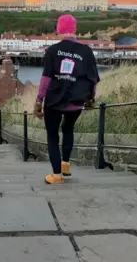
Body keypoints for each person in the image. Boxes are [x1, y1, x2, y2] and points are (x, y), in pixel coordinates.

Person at [34, 14, 99, 185]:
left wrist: (39, 100)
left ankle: (56, 176)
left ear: (59, 30)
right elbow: (92, 78)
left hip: (55, 101)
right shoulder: (86, 51)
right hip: (76, 100)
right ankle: (66, 165)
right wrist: (91, 97)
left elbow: (46, 79)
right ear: (74, 29)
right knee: (68, 129)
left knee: (52, 136)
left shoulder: (53, 51)